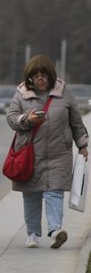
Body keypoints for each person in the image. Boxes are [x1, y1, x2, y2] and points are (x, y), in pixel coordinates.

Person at [6, 55, 89, 249]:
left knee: (55, 193)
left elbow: (76, 121)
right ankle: (33, 234)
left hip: (59, 153)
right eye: (36, 76)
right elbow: (11, 118)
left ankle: (55, 230)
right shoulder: (21, 94)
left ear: (51, 76)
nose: (40, 79)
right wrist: (27, 119)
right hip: (30, 154)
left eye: (44, 75)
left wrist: (83, 145)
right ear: (30, 78)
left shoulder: (64, 93)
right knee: (32, 195)